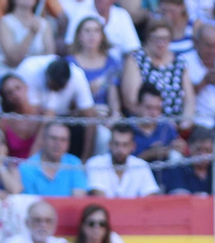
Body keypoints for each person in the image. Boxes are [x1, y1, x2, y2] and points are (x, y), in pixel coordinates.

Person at [69, 16, 124, 149]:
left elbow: (113, 97)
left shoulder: (111, 63)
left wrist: (114, 116)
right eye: (87, 31)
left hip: (104, 118)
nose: (92, 35)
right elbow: (68, 101)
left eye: (96, 30)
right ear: (80, 36)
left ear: (102, 36)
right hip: (79, 117)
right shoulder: (70, 63)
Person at [122, 18, 194, 120]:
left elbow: (189, 100)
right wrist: (156, 121)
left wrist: (186, 122)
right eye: (156, 38)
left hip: (175, 124)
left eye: (165, 38)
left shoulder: (179, 62)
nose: (161, 43)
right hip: (145, 122)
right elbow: (130, 101)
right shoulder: (136, 59)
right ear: (148, 38)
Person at [85, 122, 159, 197]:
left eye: (125, 145)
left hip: (135, 209)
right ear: (109, 144)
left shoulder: (141, 165)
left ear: (133, 146)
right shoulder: (95, 163)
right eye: (116, 144)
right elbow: (99, 198)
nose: (120, 150)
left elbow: (150, 195)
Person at [0, 198, 79, 243]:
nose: (43, 225)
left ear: (55, 223)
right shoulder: (13, 242)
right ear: (27, 223)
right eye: (37, 220)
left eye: (48, 221)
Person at [18, 121, 89, 195]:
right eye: (53, 138)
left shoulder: (74, 163)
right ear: (44, 139)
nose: (58, 144)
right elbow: (30, 202)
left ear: (69, 143)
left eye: (63, 140)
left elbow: (79, 197)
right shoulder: (27, 167)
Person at [0, 0, 55, 79]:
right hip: (11, 76)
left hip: (38, 75)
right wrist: (31, 33)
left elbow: (50, 55)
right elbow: (14, 58)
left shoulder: (44, 23)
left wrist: (26, 59)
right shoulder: (4, 23)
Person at [63, 0, 141, 56]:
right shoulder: (80, 13)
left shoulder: (122, 15)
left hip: (118, 69)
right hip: (86, 64)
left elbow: (133, 48)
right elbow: (70, 45)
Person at [129, 84, 183, 163]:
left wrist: (180, 148)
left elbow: (177, 149)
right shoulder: (127, 128)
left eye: (157, 108)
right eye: (149, 107)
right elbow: (123, 163)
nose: (153, 113)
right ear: (138, 106)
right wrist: (149, 154)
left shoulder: (166, 127)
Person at [160, 123, 215, 193]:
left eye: (207, 150)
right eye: (198, 149)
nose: (202, 154)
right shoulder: (179, 169)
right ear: (190, 148)